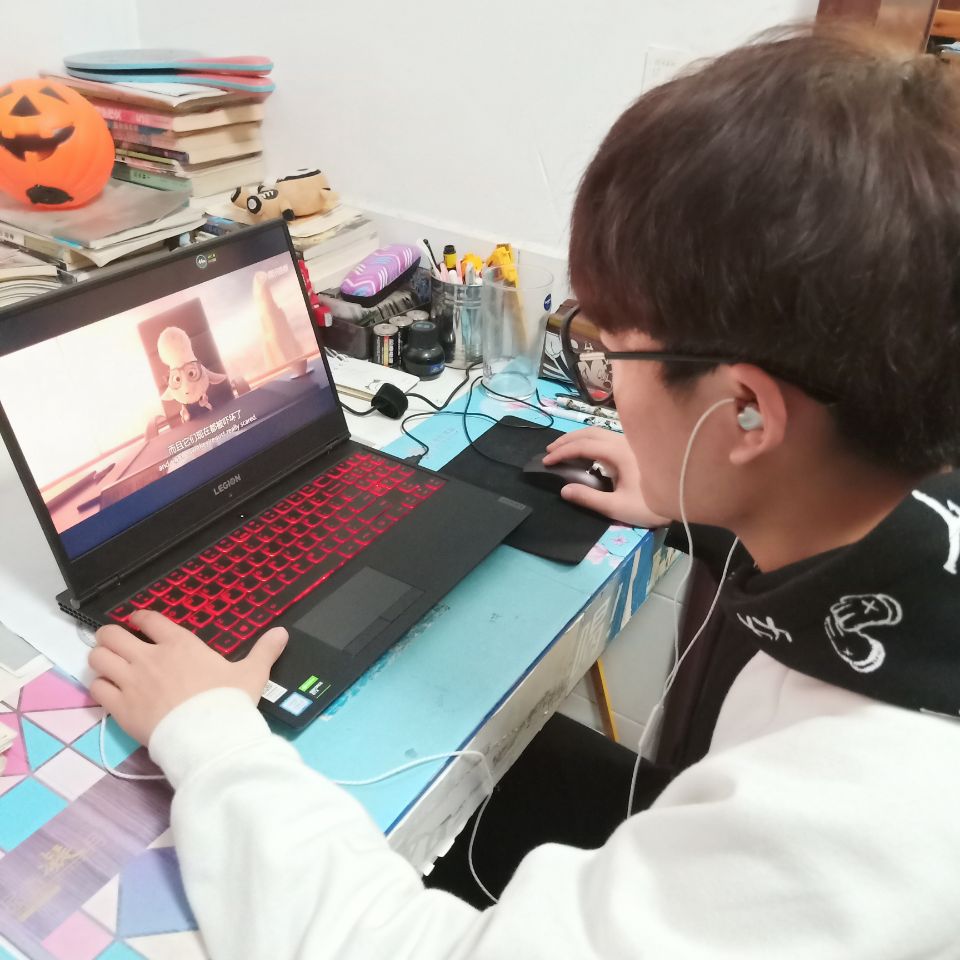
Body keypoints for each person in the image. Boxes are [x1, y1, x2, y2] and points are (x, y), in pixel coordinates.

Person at [87, 24, 960, 959]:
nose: (608, 386)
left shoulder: (860, 820)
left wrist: (209, 734)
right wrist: (695, 495)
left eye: (614, 354)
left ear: (747, 413)